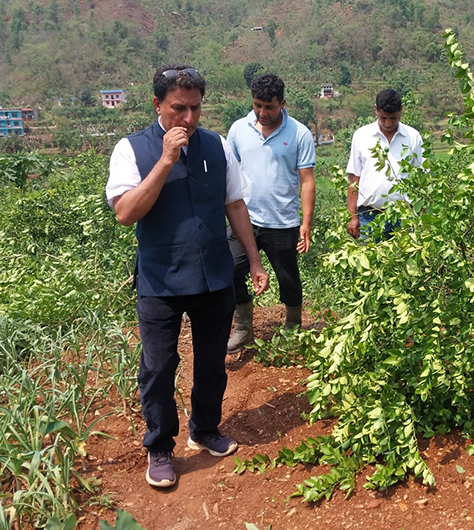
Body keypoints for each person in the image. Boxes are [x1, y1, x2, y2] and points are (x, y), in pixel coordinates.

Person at [105, 63, 269, 488]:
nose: (189, 119)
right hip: (160, 280)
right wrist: (165, 160)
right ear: (157, 104)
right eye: (179, 109)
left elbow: (235, 204)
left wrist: (253, 260)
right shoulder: (131, 150)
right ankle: (160, 447)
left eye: (195, 108)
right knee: (159, 367)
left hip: (214, 275)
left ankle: (205, 429)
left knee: (213, 362)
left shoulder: (216, 145)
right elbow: (126, 213)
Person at [225, 73, 316, 351]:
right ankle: (243, 328)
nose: (263, 113)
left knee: (287, 276)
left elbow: (307, 180)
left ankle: (292, 328)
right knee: (229, 268)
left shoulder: (299, 133)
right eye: (257, 106)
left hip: (282, 221)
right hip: (245, 219)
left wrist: (306, 222)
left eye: (270, 107)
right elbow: (229, 172)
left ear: (283, 104)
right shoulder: (239, 130)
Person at [346, 88, 424, 241]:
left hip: (404, 218)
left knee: (404, 263)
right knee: (370, 263)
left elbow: (422, 179)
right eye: (383, 118)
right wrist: (353, 216)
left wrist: (422, 217)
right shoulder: (362, 136)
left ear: (401, 110)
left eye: (393, 118)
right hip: (368, 217)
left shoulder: (413, 137)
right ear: (376, 110)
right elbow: (354, 178)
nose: (388, 123)